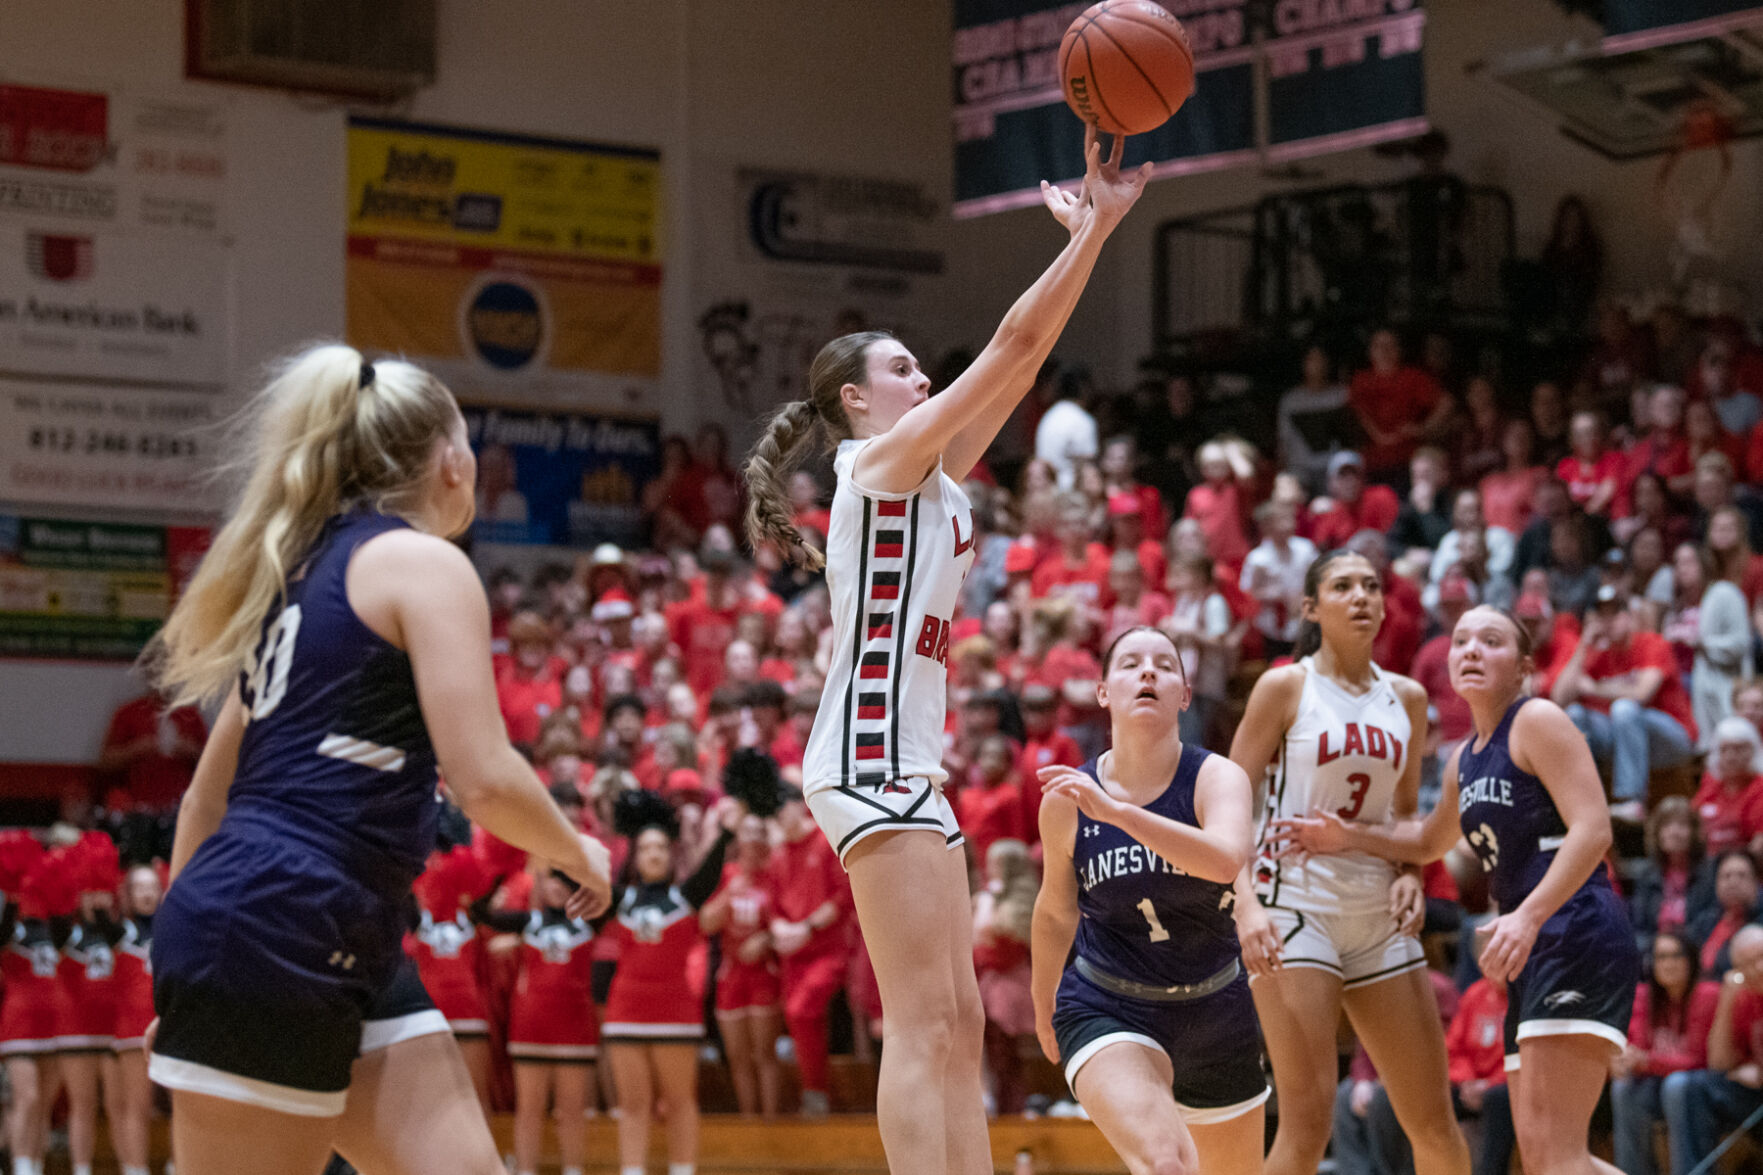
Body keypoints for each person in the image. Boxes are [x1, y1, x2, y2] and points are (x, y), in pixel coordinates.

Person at [740, 127, 1149, 1175]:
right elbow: (1005, 351)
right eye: (900, 365)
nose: (922, 373)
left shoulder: (933, 474)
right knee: (923, 1022)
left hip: (903, 765)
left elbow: (1021, 367)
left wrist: (1091, 240)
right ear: (853, 404)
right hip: (867, 760)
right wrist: (1091, 228)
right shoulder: (874, 462)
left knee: (957, 1023)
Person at [142, 345, 612, 1175]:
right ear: (450, 460)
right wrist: (577, 850)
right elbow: (485, 776)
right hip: (284, 918)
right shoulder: (421, 563)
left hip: (312, 924)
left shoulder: (298, 576)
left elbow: (203, 806)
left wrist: (183, 967)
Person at [1273, 604, 1640, 1175]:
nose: (1470, 649)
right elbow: (1423, 842)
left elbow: (1594, 829)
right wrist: (1346, 835)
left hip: (1576, 929)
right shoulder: (1461, 761)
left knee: (1556, 1155)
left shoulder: (1537, 719)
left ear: (1521, 668)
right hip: (1534, 941)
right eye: (1462, 640)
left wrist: (1527, 916)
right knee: (1549, 1157)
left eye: (1490, 641)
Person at [1229, 550, 1468, 1175]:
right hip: (1293, 908)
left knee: (1436, 1125)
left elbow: (1407, 810)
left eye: (1371, 586)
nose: (1361, 596)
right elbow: (1224, 801)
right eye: (1342, 586)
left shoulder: (1408, 698)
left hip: (1379, 913)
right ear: (1311, 607)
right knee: (1308, 1126)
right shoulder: (1285, 685)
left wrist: (1413, 874)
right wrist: (1244, 905)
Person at [1031, 627, 1264, 1175]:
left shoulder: (1216, 777)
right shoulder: (1068, 800)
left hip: (1216, 1009)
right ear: (1104, 692)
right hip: (1107, 1004)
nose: (1148, 673)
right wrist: (1044, 1007)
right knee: (1166, 1162)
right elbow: (1054, 911)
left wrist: (1119, 815)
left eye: (1165, 665)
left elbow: (1225, 861)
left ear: (1185, 695)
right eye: (1131, 664)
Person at [601, 792, 739, 1175]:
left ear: (672, 852)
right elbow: (578, 878)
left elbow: (710, 871)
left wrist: (729, 828)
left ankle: (683, 1169)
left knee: (680, 1101)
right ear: (635, 855)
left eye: (662, 846)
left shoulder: (685, 898)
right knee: (633, 1104)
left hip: (675, 1011)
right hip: (625, 1011)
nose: (655, 854)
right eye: (646, 848)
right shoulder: (620, 900)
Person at [1552, 586, 1698, 823]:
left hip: (1672, 738)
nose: (1609, 622)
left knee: (1625, 708)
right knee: (1574, 714)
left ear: (1629, 617)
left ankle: (1631, 800)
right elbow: (1560, 698)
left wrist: (1595, 688)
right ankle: (1581, 802)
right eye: (1602, 615)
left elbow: (1641, 694)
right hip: (1626, 744)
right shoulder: (1598, 654)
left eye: (1615, 614)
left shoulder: (1652, 643)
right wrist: (1583, 645)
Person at [1610, 931, 1720, 1175]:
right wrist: (1622, 1060)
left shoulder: (1708, 994)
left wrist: (1647, 1061)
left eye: (1675, 956)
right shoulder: (1644, 996)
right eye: (1660, 957)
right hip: (1661, 1084)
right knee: (1624, 1088)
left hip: (1702, 1086)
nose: (1667, 964)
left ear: (1691, 960)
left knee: (1677, 1085)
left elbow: (1700, 1060)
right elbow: (1634, 1047)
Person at [1660, 924, 1763, 1175]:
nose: (1759, 968)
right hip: (1751, 1096)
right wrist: (1727, 1001)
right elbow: (1718, 1064)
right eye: (1747, 964)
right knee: (1684, 1086)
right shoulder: (1742, 996)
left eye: (1762, 957)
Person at [700, 813, 782, 1118]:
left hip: (764, 974)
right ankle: (749, 1122)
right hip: (730, 975)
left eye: (758, 832)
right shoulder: (726, 874)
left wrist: (764, 939)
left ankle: (771, 1123)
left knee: (765, 1054)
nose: (752, 839)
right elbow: (707, 922)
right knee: (737, 1057)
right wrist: (729, 893)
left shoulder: (775, 875)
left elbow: (786, 922)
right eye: (746, 833)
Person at [111, 863, 163, 1175]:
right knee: (138, 1106)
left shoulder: (172, 929)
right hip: (132, 1030)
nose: (146, 893)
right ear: (128, 895)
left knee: (180, 1107)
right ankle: (136, 1170)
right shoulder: (119, 929)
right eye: (139, 887)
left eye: (152, 886)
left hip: (172, 1030)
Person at [1692, 719, 1763, 860]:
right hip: (1705, 866)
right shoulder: (1710, 784)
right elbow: (1692, 824)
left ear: (1753, 751)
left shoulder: (1759, 788)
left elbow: (1759, 843)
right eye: (1724, 749)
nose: (1731, 756)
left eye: (1738, 749)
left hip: (1745, 867)